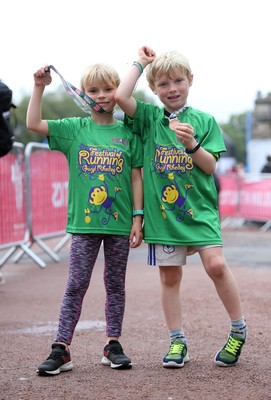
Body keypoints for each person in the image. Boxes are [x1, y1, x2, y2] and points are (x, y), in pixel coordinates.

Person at [115, 46, 247, 368]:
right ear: (153, 88)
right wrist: (142, 63)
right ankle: (177, 342)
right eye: (162, 84)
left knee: (216, 266)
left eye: (177, 81)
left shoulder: (203, 120)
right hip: (163, 217)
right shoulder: (147, 118)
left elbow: (210, 167)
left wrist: (192, 144)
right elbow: (120, 96)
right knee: (170, 277)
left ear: (190, 80)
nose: (171, 89)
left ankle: (238, 329)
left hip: (199, 212)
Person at [26, 63, 143, 375]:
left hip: (119, 226)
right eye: (93, 90)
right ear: (82, 94)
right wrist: (40, 87)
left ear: (118, 92)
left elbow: (135, 178)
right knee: (76, 284)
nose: (101, 96)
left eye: (108, 89)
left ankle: (113, 344)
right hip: (83, 225)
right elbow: (34, 123)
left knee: (115, 284)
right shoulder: (74, 129)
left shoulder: (128, 133)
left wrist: (137, 218)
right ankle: (61, 349)